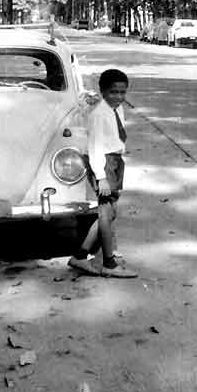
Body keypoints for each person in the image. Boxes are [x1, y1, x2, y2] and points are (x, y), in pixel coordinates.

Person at [68, 69, 138, 278]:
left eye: (122, 92)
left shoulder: (116, 109)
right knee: (106, 214)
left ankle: (80, 256)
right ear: (103, 91)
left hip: (114, 161)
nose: (118, 96)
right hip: (103, 163)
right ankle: (109, 263)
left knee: (110, 212)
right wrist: (101, 177)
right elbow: (95, 146)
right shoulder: (99, 114)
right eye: (113, 92)